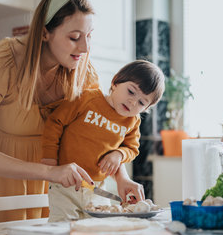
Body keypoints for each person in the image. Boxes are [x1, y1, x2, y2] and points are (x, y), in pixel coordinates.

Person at [0, 0, 145, 235]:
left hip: (60, 188)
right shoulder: (0, 62)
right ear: (45, 32)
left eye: (89, 37)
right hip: (2, 184)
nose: (84, 48)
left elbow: (98, 134)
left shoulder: (83, 71)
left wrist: (121, 176)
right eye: (74, 38)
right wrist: (51, 172)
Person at [41, 60, 165, 221]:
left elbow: (132, 148)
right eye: (131, 92)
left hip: (96, 187)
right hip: (65, 182)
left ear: (146, 109)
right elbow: (55, 122)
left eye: (141, 102)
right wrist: (49, 159)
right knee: (61, 228)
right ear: (115, 83)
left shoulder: (132, 122)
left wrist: (118, 154)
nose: (133, 102)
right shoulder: (87, 98)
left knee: (99, 230)